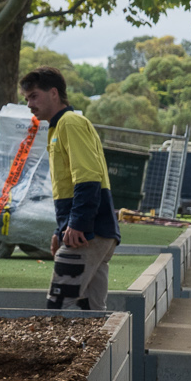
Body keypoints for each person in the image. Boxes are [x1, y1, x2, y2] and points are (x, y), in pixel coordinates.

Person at [20, 66, 119, 311]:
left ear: (54, 93)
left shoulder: (69, 123)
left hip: (89, 232)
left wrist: (78, 224)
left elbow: (87, 177)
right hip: (93, 230)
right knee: (90, 309)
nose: (29, 105)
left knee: (59, 306)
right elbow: (69, 185)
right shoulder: (57, 127)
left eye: (34, 96)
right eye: (27, 99)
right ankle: (107, 350)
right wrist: (61, 227)